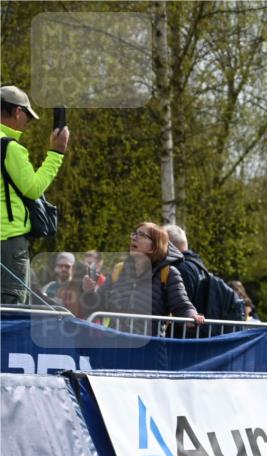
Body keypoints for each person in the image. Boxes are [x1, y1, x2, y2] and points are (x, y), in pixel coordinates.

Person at [1, 85, 69, 304]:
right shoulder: (8, 147)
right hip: (7, 242)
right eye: (27, 117)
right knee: (10, 309)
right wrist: (56, 153)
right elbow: (33, 188)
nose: (26, 123)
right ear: (18, 112)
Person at [82, 222, 205, 333]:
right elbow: (98, 306)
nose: (134, 237)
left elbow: (182, 305)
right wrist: (89, 292)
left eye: (141, 235)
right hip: (116, 350)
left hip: (150, 352)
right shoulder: (118, 270)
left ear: (155, 245)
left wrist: (192, 316)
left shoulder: (168, 273)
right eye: (134, 234)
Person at [162, 224, 208, 310]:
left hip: (188, 322)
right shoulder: (198, 265)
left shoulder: (180, 268)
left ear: (167, 244)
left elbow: (181, 305)